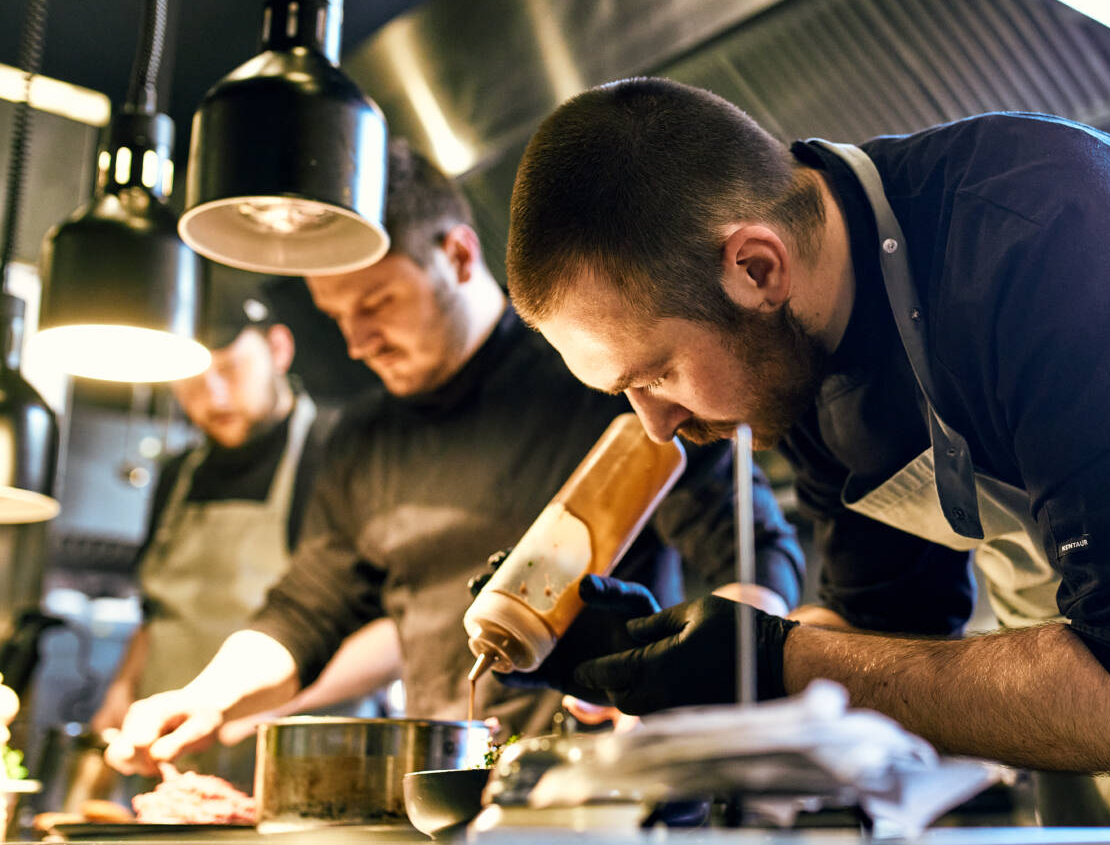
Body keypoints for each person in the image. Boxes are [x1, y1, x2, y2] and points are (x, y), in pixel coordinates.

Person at [502, 77, 1110, 826]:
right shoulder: (794, 366)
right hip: (1079, 714)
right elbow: (889, 631)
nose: (653, 424)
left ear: (757, 270)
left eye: (655, 374)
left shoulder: (1050, 232)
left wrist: (774, 662)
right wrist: (665, 658)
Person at [104, 140, 804, 775]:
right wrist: (206, 696)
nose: (357, 341)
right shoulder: (362, 438)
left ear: (460, 256)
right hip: (447, 785)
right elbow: (306, 611)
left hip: (600, 788)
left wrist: (698, 677)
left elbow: (755, 550)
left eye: (377, 302)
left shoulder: (603, 380)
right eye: (338, 315)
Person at [88, 295, 347, 788]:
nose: (213, 397)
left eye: (229, 369)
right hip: (166, 756)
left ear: (278, 348)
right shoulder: (177, 474)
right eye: (189, 377)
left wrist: (265, 704)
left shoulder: (336, 451)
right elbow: (157, 612)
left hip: (292, 759)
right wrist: (121, 691)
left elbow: (365, 622)